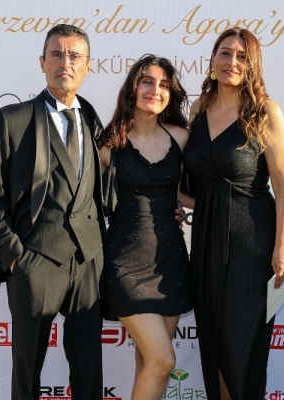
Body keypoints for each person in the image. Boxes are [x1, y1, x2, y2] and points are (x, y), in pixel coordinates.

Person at [0, 24, 106, 400]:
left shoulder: (94, 120)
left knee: (89, 368)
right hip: (34, 261)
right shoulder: (12, 120)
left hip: (88, 261)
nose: (65, 63)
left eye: (75, 56)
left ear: (88, 66)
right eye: (57, 54)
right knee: (27, 370)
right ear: (42, 62)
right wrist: (15, 258)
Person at [182, 27, 284, 400]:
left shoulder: (265, 112)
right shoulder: (198, 111)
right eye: (225, 53)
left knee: (241, 349)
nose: (232, 62)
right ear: (213, 60)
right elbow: (195, 188)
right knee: (213, 345)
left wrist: (282, 248)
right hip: (206, 244)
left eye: (242, 56)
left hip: (252, 245)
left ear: (253, 65)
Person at [97, 54, 193, 400]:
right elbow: (84, 201)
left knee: (149, 363)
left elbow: (186, 192)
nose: (155, 90)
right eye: (147, 81)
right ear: (132, 88)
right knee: (163, 360)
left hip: (171, 262)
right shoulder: (110, 144)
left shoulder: (182, 138)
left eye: (164, 84)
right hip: (126, 263)